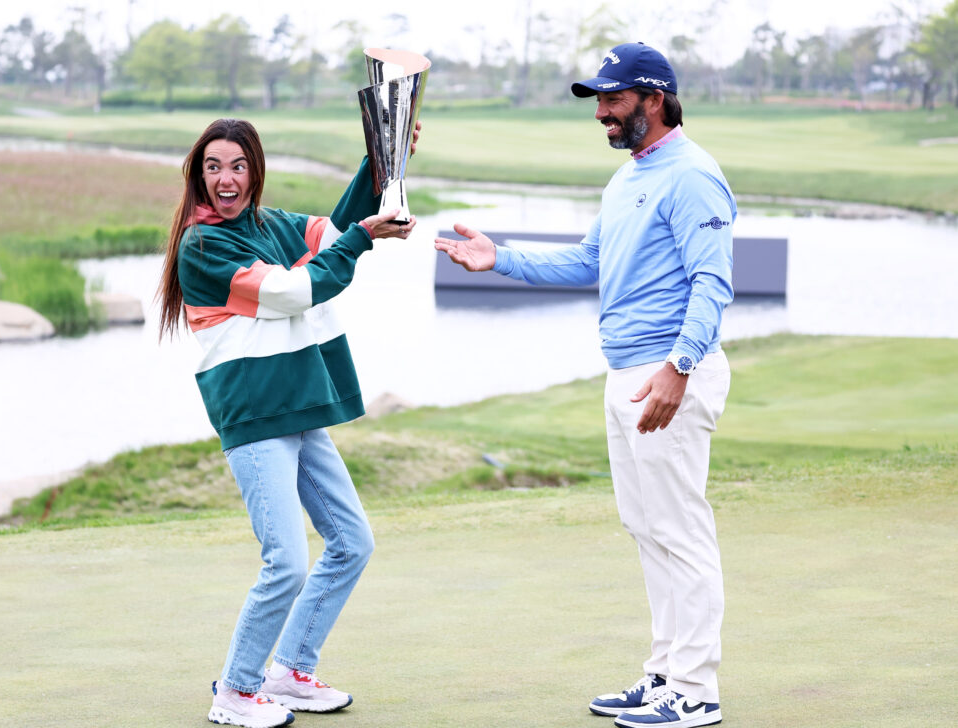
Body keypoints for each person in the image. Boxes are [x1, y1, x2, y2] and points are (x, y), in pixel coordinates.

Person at [435, 42, 733, 728]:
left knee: (680, 528)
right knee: (647, 526)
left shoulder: (691, 175)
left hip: (668, 373)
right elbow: (589, 261)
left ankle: (697, 689)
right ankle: (665, 674)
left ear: (654, 100)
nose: (601, 112)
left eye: (613, 99)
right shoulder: (632, 175)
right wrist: (499, 258)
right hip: (627, 370)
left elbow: (712, 282)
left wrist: (679, 369)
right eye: (598, 100)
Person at [158, 117, 419, 728]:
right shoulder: (203, 246)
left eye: (238, 165)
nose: (226, 178)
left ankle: (290, 673)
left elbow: (332, 232)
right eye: (214, 166)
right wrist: (360, 240)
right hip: (255, 414)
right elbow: (293, 292)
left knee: (352, 542)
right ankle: (236, 693)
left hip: (298, 404)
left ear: (255, 171)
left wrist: (380, 160)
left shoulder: (273, 224)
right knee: (287, 560)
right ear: (199, 175)